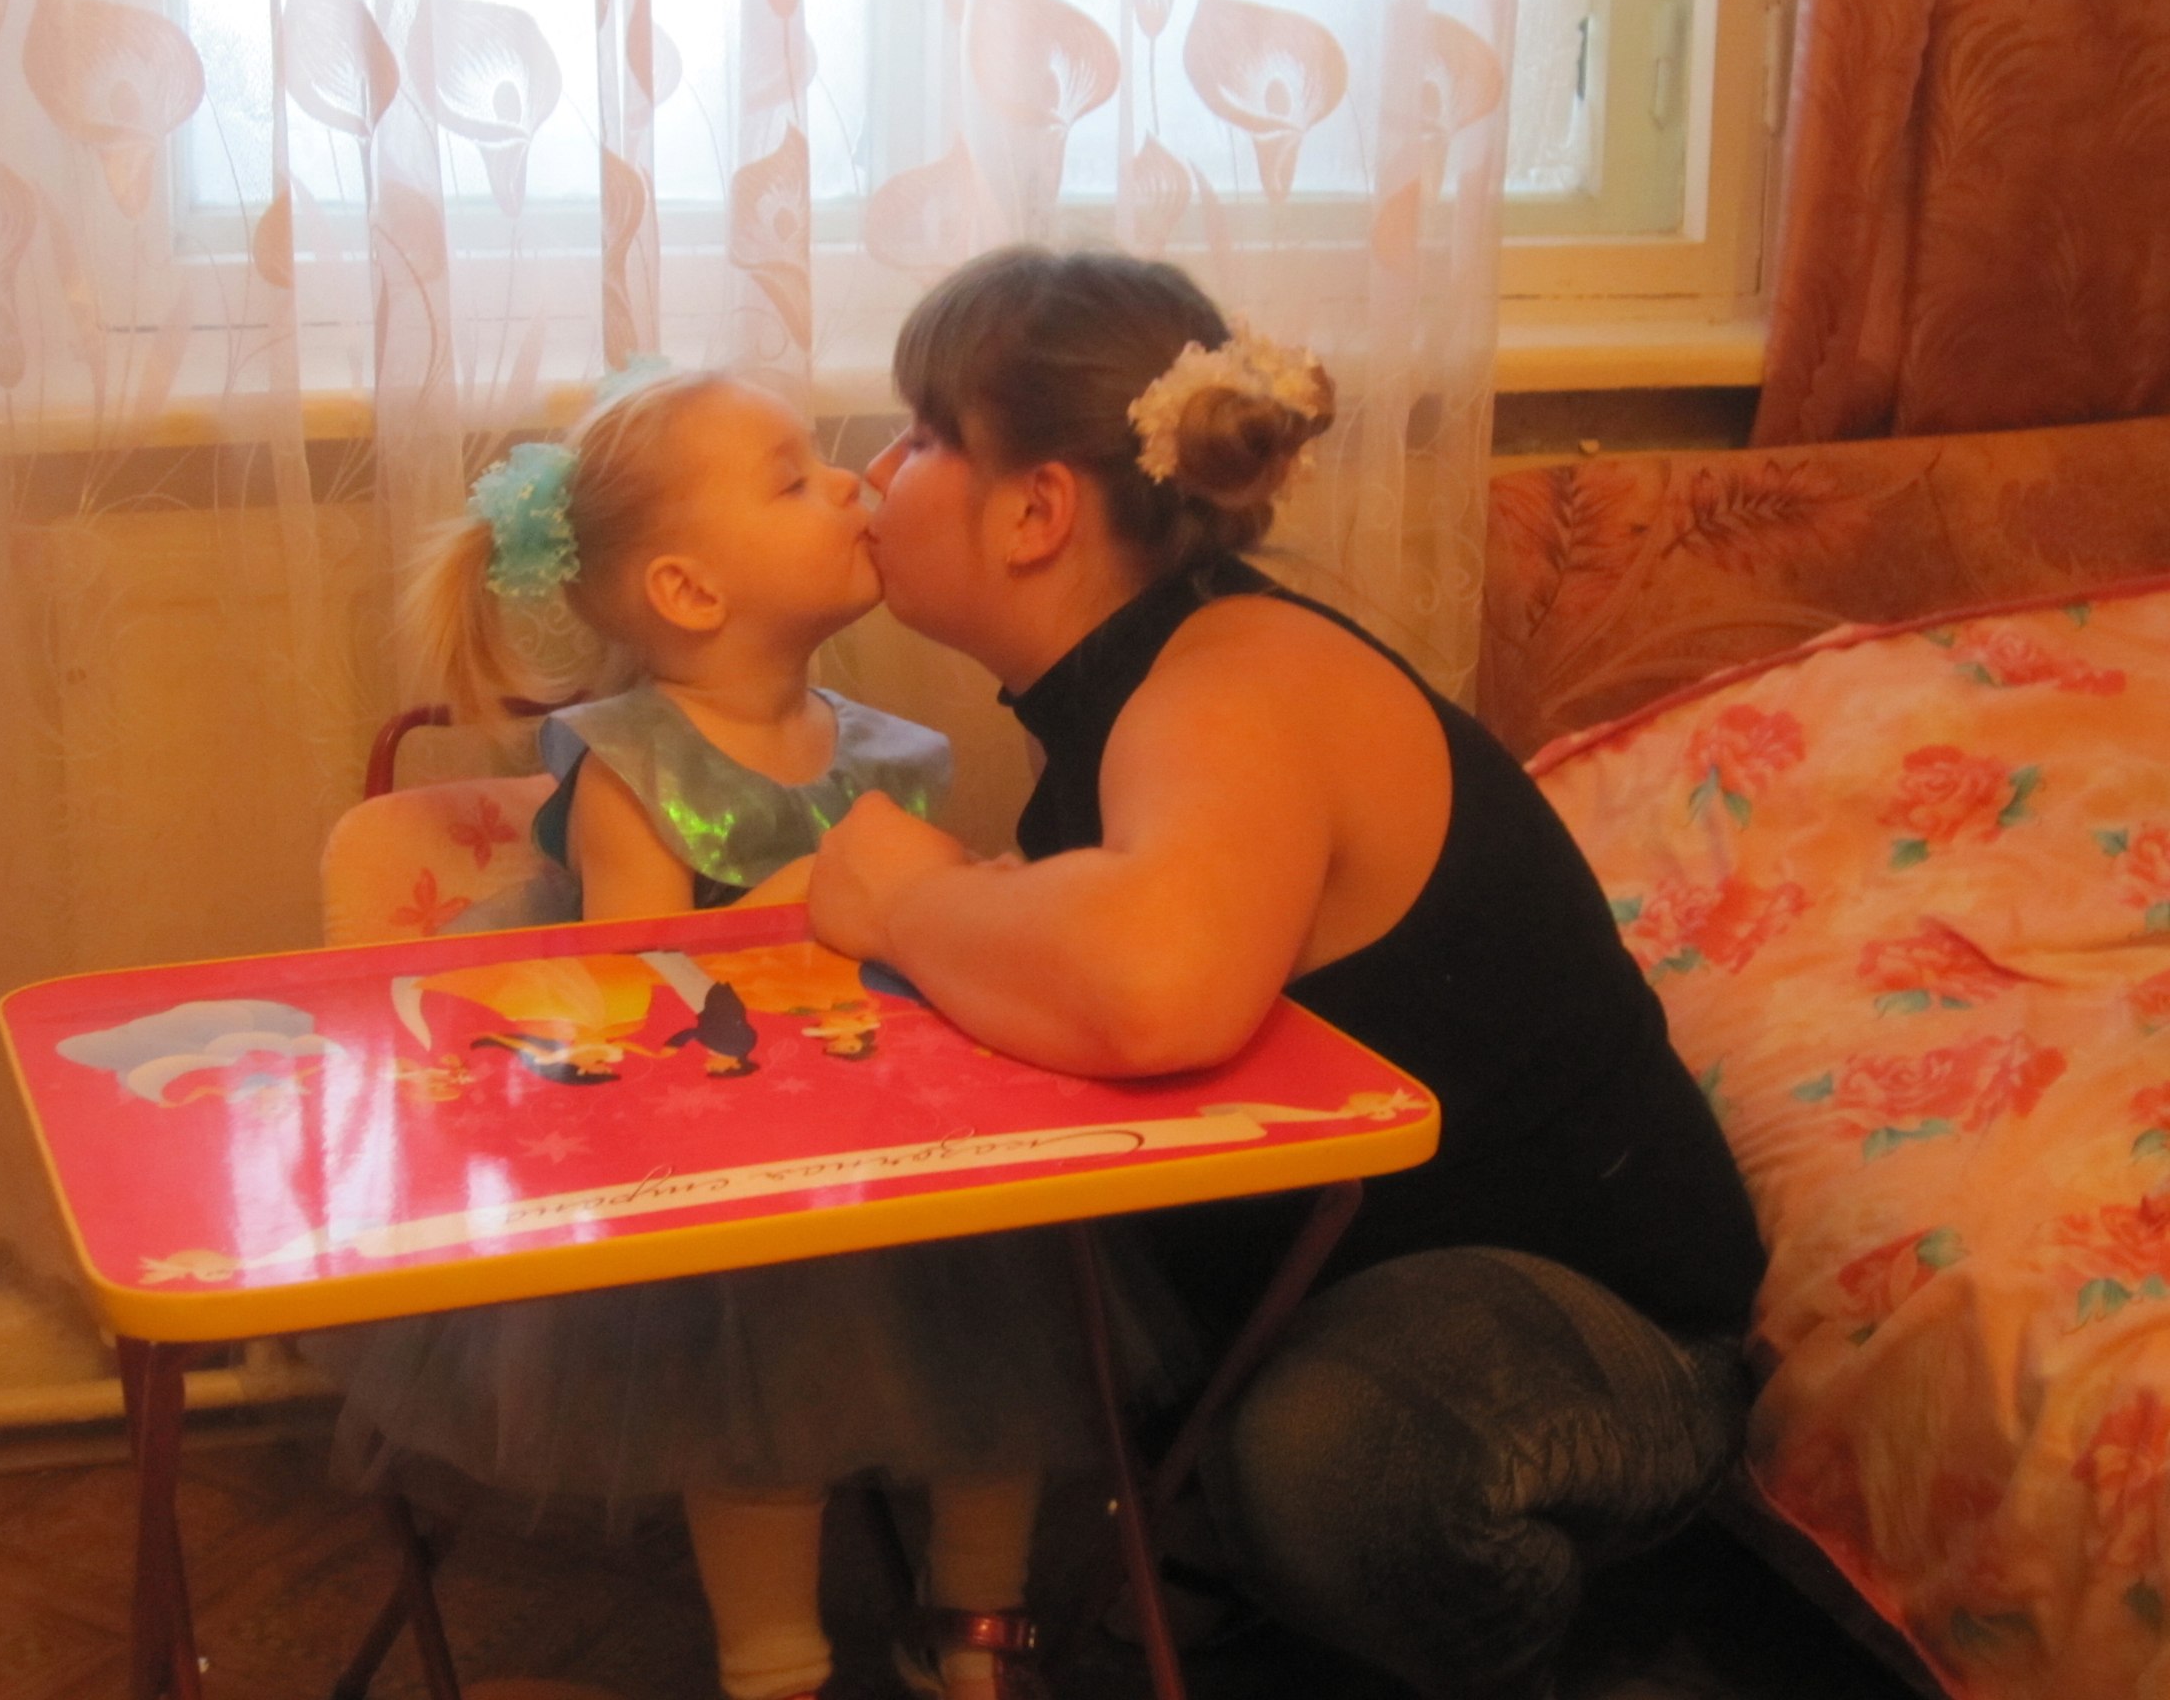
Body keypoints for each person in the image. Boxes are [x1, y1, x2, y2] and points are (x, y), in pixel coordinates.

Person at [807, 248, 1769, 1700]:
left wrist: (907, 903)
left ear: (1036, 511)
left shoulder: (1236, 675)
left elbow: (1158, 988)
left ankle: (1602, 1651)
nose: (881, 470)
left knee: (1339, 1457)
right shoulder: (1128, 698)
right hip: (1365, 1302)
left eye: (924, 434)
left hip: (1602, 1339)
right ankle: (1242, 1558)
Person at [319, 371, 1124, 1700]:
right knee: (761, 1395)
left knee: (1000, 1347)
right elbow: (633, 995)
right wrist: (808, 897)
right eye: (795, 478)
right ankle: (773, 1659)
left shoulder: (892, 753)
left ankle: (976, 1621)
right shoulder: (635, 767)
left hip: (893, 1137)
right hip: (713, 1169)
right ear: (691, 591)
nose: (854, 485)